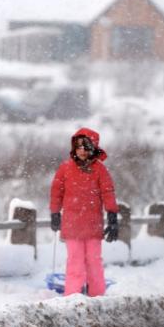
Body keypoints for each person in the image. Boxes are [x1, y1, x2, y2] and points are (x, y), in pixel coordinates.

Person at [49, 127, 119, 297]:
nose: (81, 151)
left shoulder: (100, 170)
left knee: (94, 261)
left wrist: (112, 216)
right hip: (72, 224)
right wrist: (55, 213)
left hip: (93, 224)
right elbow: (56, 191)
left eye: (86, 147)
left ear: (93, 149)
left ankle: (97, 296)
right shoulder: (65, 168)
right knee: (75, 261)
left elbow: (108, 192)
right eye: (78, 147)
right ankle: (72, 296)